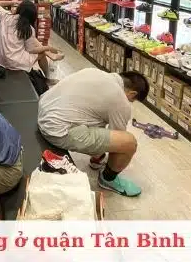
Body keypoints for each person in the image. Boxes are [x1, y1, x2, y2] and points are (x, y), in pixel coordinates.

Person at [37, 69, 149, 197]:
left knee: (98, 117)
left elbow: (92, 115)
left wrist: (98, 153)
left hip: (43, 112)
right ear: (132, 93)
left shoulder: (94, 73)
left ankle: (97, 158)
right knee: (128, 143)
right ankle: (108, 179)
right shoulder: (120, 99)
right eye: (132, 100)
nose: (129, 103)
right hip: (55, 131)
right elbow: (117, 139)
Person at [0, 0, 63, 80]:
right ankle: (48, 79)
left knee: (33, 41)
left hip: (1, 59)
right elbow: (31, 50)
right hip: (14, 62)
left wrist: (13, 2)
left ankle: (50, 54)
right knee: (41, 54)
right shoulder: (28, 28)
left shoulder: (6, 16)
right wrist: (48, 47)